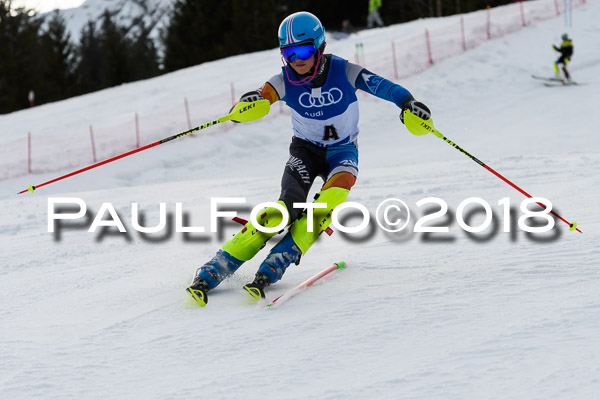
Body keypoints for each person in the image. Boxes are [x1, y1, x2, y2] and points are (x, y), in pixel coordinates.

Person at [186, 11, 431, 306]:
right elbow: (259, 98)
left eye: (303, 50)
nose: (297, 59)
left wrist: (408, 104)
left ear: (320, 48)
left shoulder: (344, 71)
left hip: (342, 152)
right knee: (283, 210)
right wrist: (245, 105)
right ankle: (216, 267)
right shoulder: (283, 80)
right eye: (288, 52)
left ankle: (277, 262)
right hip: (305, 150)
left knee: (323, 209)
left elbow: (384, 87)